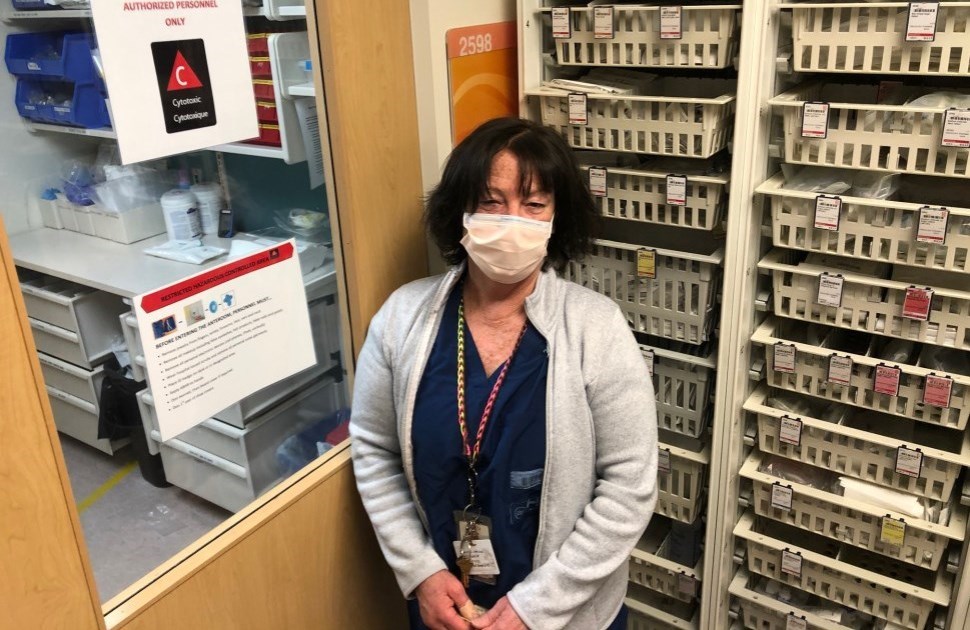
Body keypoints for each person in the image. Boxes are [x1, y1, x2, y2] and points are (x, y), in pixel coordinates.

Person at [350, 117, 657, 630]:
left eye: (533, 204)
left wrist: (535, 607)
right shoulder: (402, 319)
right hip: (447, 608)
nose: (512, 221)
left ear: (557, 218)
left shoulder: (595, 328)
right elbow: (374, 450)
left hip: (569, 616)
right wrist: (420, 572)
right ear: (461, 212)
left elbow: (630, 487)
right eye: (492, 203)